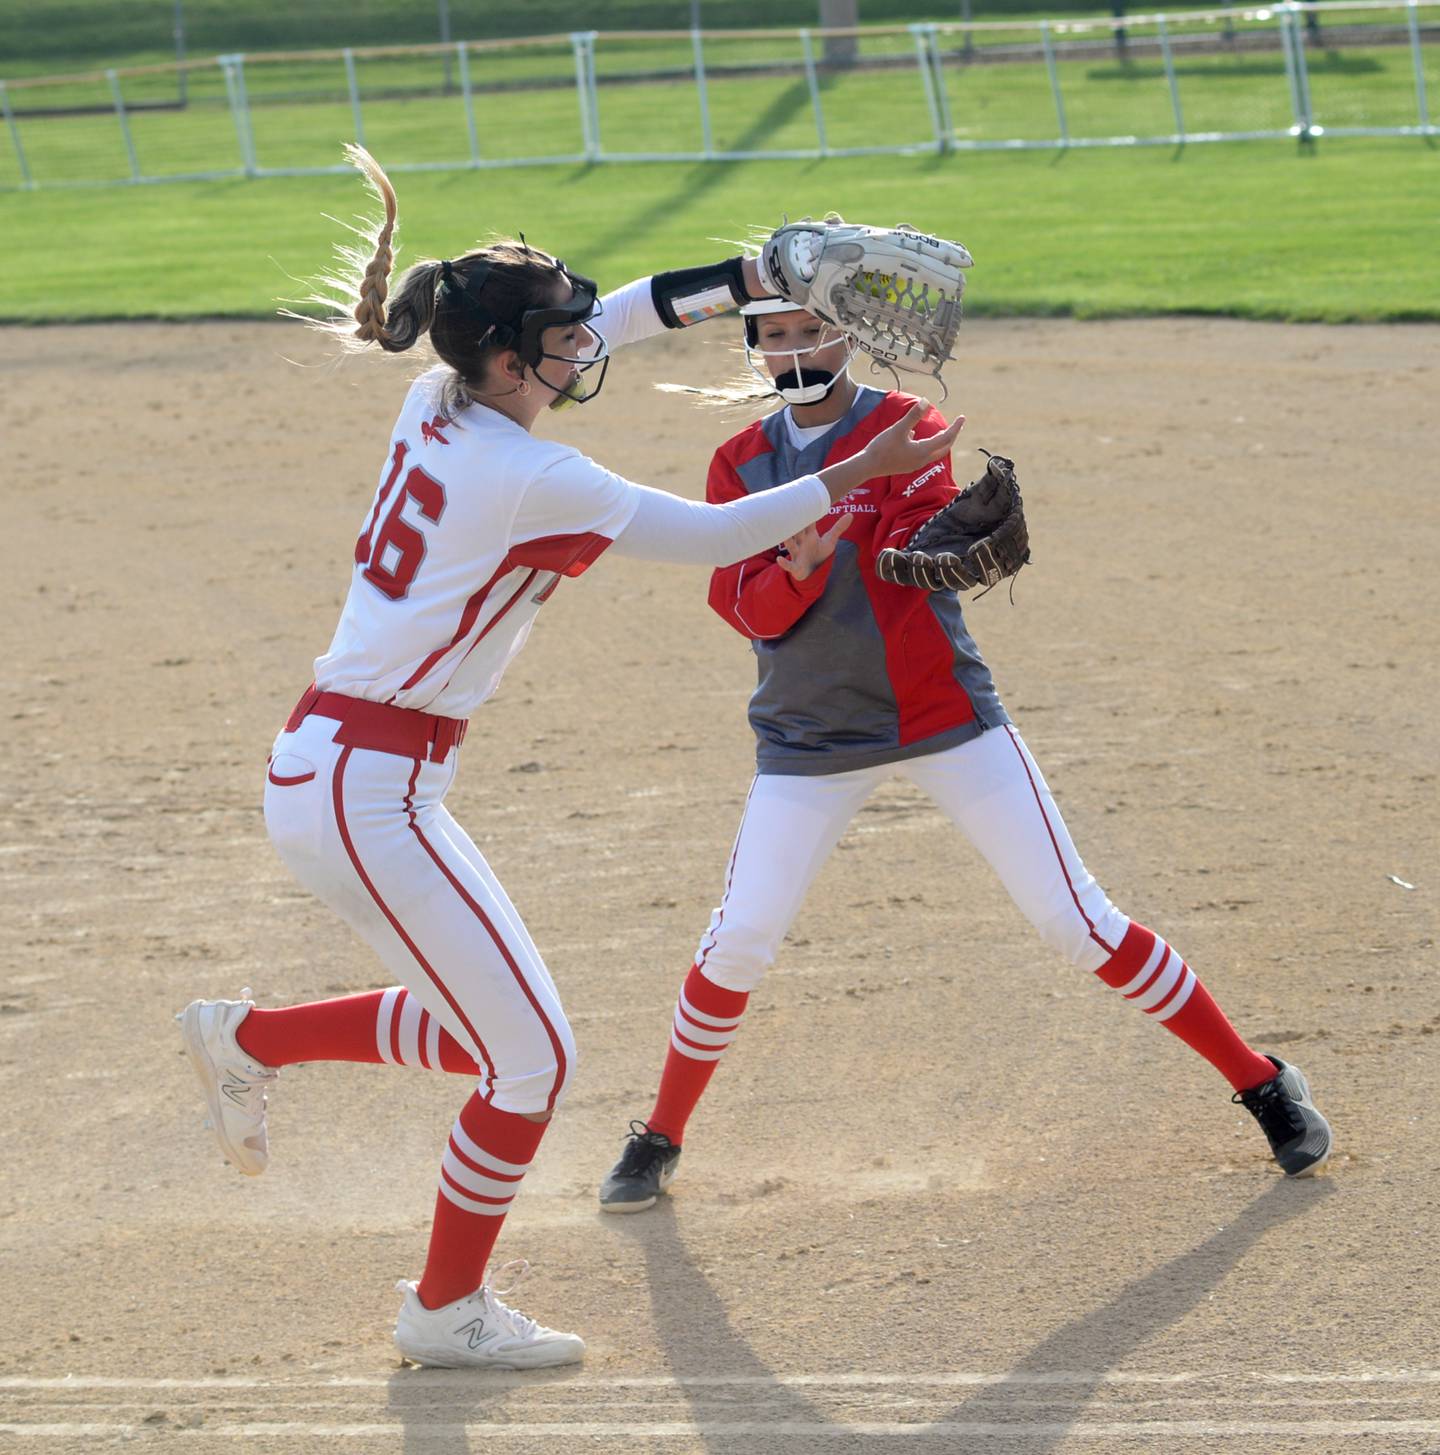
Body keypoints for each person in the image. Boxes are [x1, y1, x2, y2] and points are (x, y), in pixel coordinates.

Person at [174, 150, 963, 1371]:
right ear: (505, 361)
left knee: (489, 1037)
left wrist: (748, 274)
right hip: (364, 791)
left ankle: (252, 1041)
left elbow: (628, 312)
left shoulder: (439, 401)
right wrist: (855, 472)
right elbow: (716, 534)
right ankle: (444, 1313)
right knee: (532, 1060)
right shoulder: (529, 470)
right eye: (557, 338)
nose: (582, 347)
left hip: (358, 771)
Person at [598, 295, 1332, 1213]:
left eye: (812, 329)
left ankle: (1263, 1082)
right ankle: (659, 1135)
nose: (795, 350)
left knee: (1081, 922)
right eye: (774, 336)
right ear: (752, 349)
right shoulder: (739, 462)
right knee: (738, 937)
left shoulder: (909, 427)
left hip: (942, 715)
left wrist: (921, 542)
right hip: (808, 735)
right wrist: (800, 569)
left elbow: (919, 539)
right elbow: (740, 608)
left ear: (850, 335)